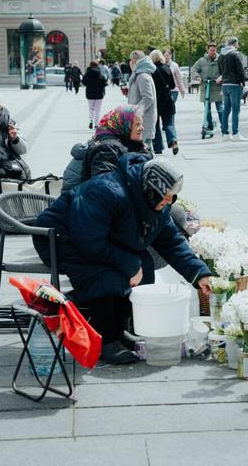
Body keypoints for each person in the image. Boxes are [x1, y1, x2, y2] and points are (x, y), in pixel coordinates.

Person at [33, 154, 212, 364]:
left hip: (94, 239)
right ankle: (105, 339)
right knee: (107, 276)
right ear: (150, 190)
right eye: (165, 196)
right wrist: (129, 263)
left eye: (172, 197)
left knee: (144, 265)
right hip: (60, 239)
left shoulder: (158, 207)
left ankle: (117, 329)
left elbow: (172, 243)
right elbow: (88, 241)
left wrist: (199, 273)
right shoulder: (108, 191)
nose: (168, 202)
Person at [61, 104, 150, 193]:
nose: (142, 128)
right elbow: (105, 188)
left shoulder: (113, 143)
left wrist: (141, 150)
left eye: (141, 124)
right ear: (124, 125)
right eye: (137, 124)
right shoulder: (109, 148)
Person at [218, 37, 248, 141]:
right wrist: (243, 82)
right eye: (237, 43)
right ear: (234, 44)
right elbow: (240, 70)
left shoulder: (221, 55)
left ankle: (225, 134)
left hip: (225, 84)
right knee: (236, 109)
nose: (238, 45)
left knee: (226, 109)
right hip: (235, 84)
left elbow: (220, 70)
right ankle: (235, 133)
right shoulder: (235, 54)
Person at [150, 49, 179, 155]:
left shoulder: (151, 70)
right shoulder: (167, 68)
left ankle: (158, 147)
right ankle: (173, 140)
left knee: (155, 124)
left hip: (155, 100)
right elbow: (172, 85)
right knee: (169, 123)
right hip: (167, 99)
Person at [127, 50, 157, 150]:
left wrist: (137, 110)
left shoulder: (142, 76)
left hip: (144, 119)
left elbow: (148, 98)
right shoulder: (140, 75)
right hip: (141, 119)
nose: (129, 63)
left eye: (130, 60)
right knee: (144, 148)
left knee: (145, 148)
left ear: (135, 61)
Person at [191, 43, 222, 135]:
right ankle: (209, 125)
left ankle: (224, 127)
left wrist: (221, 77)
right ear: (207, 50)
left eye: (214, 50)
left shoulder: (220, 59)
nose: (213, 52)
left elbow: (225, 70)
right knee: (207, 109)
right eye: (211, 50)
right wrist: (197, 77)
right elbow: (193, 69)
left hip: (217, 87)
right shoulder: (202, 61)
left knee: (220, 109)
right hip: (206, 87)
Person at [82, 60, 107, 129]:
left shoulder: (87, 74)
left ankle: (91, 120)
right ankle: (96, 124)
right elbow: (105, 83)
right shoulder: (100, 74)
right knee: (97, 109)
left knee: (91, 108)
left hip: (90, 94)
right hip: (99, 94)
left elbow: (83, 82)